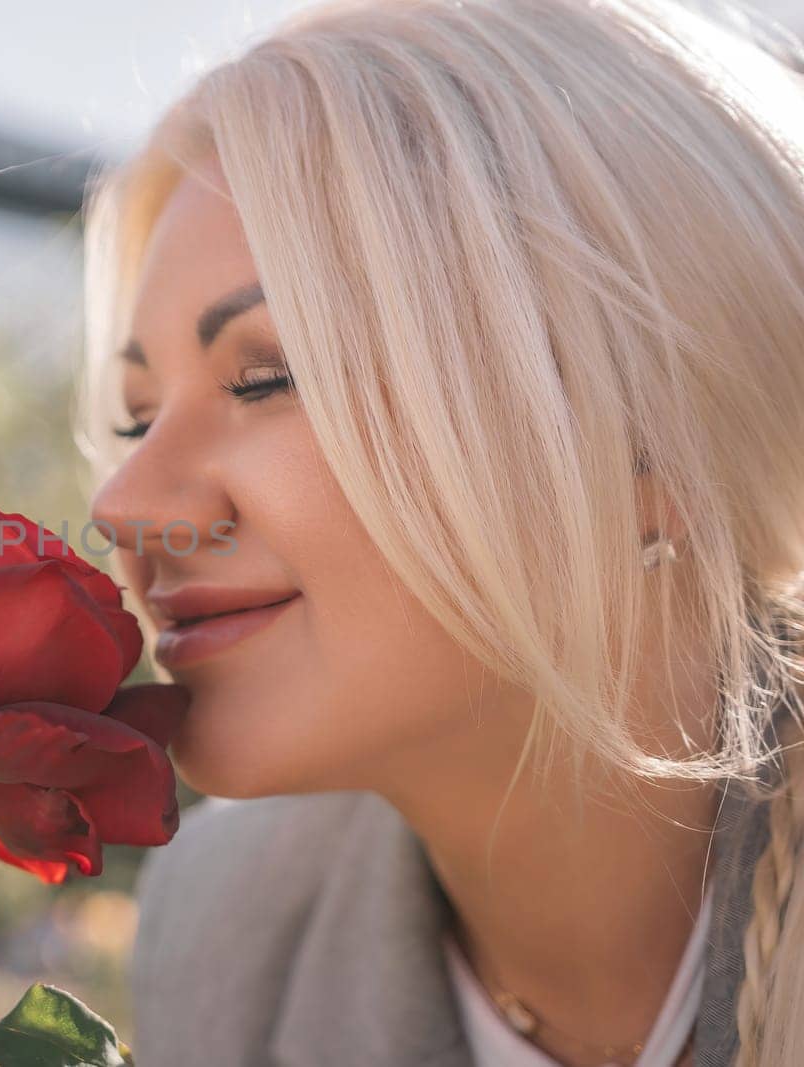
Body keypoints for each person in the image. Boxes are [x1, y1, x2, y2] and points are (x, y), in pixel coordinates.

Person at [75, 1, 804, 1065]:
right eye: (137, 417)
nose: (123, 504)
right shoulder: (225, 925)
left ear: (651, 438)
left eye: (271, 374)